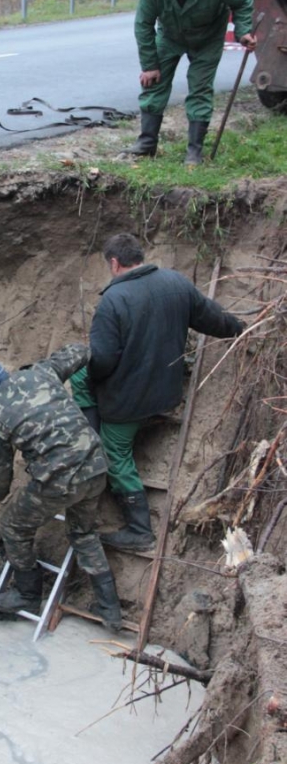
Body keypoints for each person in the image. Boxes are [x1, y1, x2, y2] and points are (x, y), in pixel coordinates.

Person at [83, 232, 245, 551]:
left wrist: (87, 375)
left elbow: (101, 362)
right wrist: (239, 329)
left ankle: (140, 529)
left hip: (128, 405)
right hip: (167, 393)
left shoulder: (113, 302)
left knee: (114, 451)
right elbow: (211, 318)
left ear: (114, 263)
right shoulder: (176, 283)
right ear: (139, 257)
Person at [0, 343, 122, 632]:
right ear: (4, 372)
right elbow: (78, 354)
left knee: (12, 527)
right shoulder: (41, 372)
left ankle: (27, 595)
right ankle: (111, 610)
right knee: (83, 532)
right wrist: (95, 345)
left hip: (59, 481)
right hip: (96, 465)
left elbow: (1, 470)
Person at [126, 0, 256, 165]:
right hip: (169, 36)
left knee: (200, 89)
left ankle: (194, 151)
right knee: (154, 82)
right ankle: (147, 142)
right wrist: (150, 65)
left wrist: (243, 31)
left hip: (207, 38)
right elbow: (143, 25)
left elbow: (243, 1)